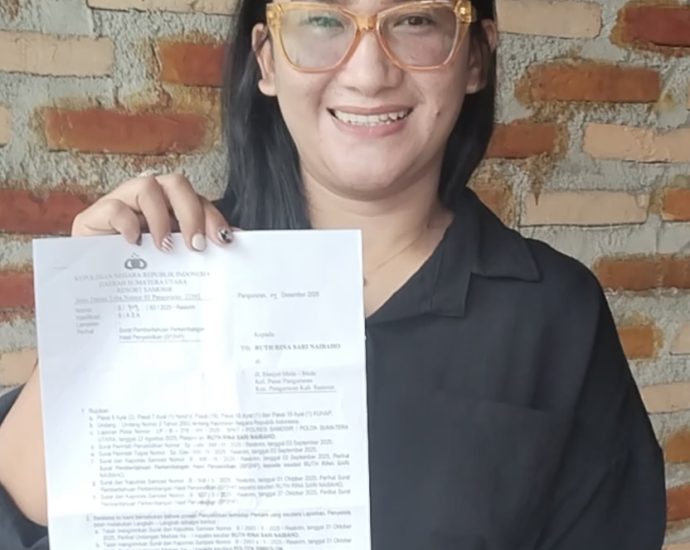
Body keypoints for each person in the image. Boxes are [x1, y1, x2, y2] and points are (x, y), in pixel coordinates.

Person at [0, 0, 667, 548]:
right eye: (322, 20)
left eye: (415, 20)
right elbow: (22, 519)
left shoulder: (556, 312)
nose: (369, 73)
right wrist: (90, 324)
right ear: (267, 59)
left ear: (475, 59)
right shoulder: (164, 280)